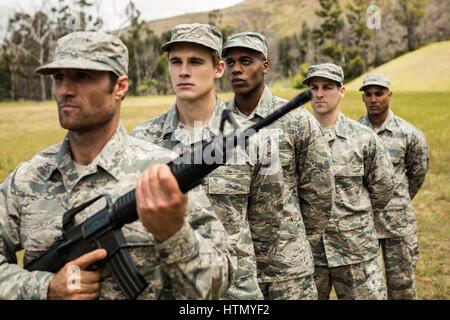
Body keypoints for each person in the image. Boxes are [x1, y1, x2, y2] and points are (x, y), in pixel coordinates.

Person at [0, 31, 236, 300]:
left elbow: (218, 284)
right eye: (59, 78)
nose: (65, 90)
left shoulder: (162, 173)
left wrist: (173, 233)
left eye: (83, 76)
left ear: (120, 87)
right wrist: (45, 289)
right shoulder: (27, 179)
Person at [130, 24, 263, 300]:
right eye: (175, 62)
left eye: (195, 62)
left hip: (235, 295)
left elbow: (268, 229)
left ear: (218, 69)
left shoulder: (248, 137)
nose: (183, 71)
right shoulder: (141, 140)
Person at [222, 32, 335, 299]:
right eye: (230, 62)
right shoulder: (218, 123)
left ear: (265, 66)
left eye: (246, 61)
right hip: (235, 271)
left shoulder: (297, 119)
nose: (236, 69)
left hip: (288, 271)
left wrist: (295, 242)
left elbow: (320, 191)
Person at [303, 63, 395, 300]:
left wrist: (354, 219)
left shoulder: (363, 137)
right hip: (310, 252)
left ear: (341, 91)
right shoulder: (297, 138)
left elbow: (383, 187)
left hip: (356, 250)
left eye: (327, 87)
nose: (320, 94)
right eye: (314, 87)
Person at [357, 73, 429, 299]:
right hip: (363, 224)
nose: (373, 99)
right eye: (368, 95)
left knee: (403, 287)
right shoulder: (354, 131)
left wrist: (398, 199)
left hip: (398, 226)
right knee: (367, 289)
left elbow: (417, 173)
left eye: (379, 94)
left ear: (389, 95)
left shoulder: (409, 134)